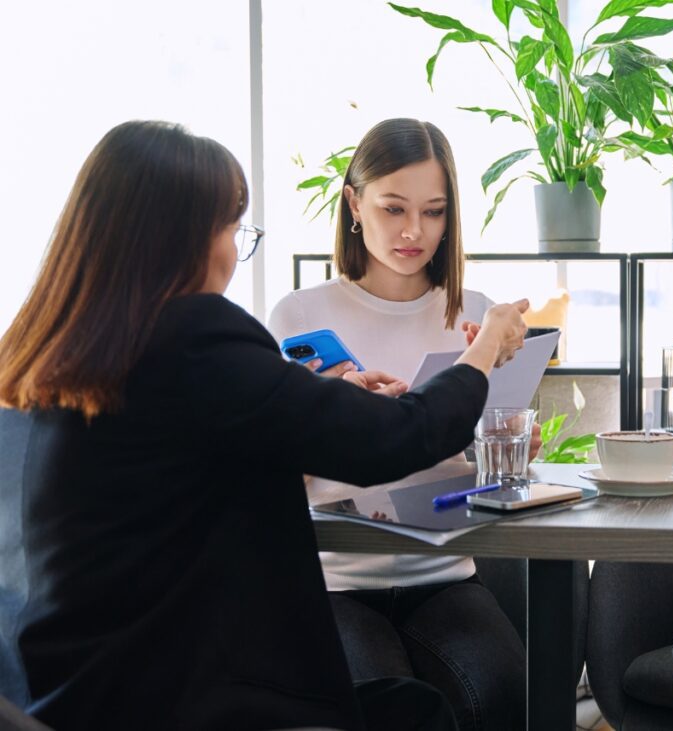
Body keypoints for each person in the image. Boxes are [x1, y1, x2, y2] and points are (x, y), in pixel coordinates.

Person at [0, 120, 528, 731]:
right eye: (231, 229)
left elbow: (185, 469)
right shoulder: (194, 335)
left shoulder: (48, 353)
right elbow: (396, 440)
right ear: (178, 236)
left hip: (66, 694)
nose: (232, 249)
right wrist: (485, 349)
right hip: (182, 689)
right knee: (412, 713)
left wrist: (311, 408)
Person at [269, 118, 534, 731]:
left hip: (441, 572)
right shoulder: (299, 315)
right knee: (386, 706)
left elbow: (480, 466)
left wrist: (504, 446)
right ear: (353, 203)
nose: (415, 231)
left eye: (434, 212)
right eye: (393, 208)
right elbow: (277, 475)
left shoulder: (473, 312)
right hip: (334, 578)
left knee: (501, 690)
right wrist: (325, 420)